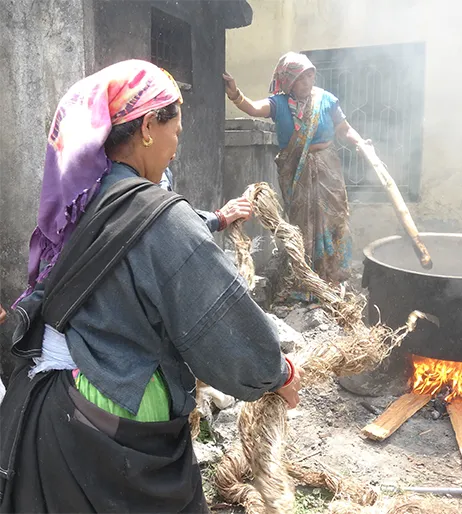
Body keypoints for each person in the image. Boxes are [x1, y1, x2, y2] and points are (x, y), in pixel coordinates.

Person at [0, 60, 301, 513]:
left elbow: (148, 240)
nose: (176, 147)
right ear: (146, 128)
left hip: (51, 410)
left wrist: (215, 219)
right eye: (175, 132)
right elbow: (219, 321)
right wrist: (278, 373)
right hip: (115, 432)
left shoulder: (85, 197)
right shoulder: (156, 213)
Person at [224, 52, 369, 288]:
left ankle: (333, 277)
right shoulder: (278, 104)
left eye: (310, 76)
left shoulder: (326, 100)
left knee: (335, 219)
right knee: (302, 225)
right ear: (289, 82)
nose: (308, 82)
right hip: (295, 171)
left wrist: (360, 143)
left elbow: (344, 129)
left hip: (327, 168)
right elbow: (252, 108)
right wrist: (234, 93)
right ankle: (307, 279)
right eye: (301, 78)